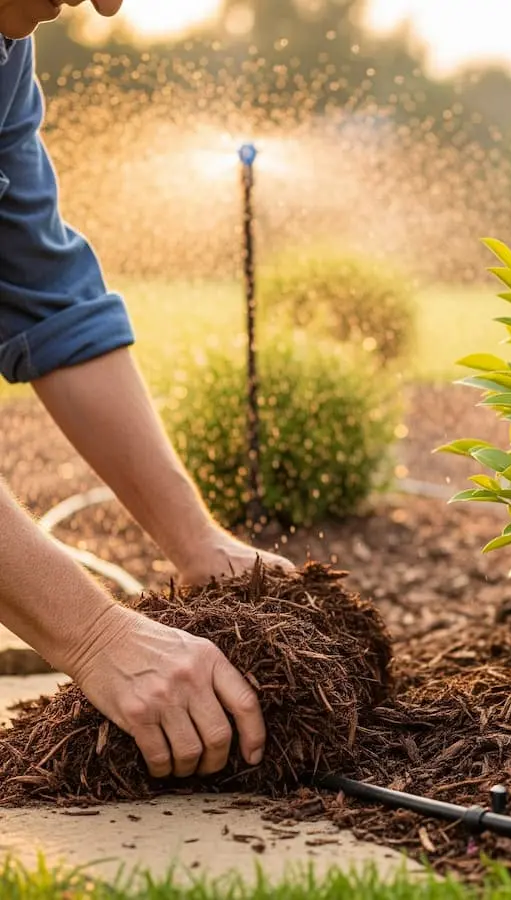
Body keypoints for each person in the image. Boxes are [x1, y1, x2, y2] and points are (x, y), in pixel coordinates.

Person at [0, 0, 294, 781]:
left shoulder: (4, 56)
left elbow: (49, 300)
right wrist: (95, 635)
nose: (106, 4)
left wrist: (198, 543)